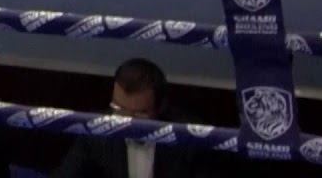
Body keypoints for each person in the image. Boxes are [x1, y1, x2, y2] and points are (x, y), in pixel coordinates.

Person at [53, 58, 209, 178]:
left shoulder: (189, 137)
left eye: (139, 114)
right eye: (119, 110)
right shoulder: (96, 132)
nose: (126, 123)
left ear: (160, 108)